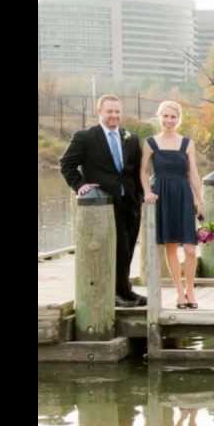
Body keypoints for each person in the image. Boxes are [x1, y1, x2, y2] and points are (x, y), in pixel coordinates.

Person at [59, 94, 146, 307]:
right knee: (113, 249)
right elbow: (66, 164)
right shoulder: (85, 137)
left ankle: (125, 291)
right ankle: (112, 294)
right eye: (109, 111)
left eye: (117, 111)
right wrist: (80, 185)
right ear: (99, 112)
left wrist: (140, 196)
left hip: (130, 203)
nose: (114, 115)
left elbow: (137, 171)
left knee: (127, 249)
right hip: (103, 205)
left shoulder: (131, 138)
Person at [140, 101, 203, 309]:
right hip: (162, 195)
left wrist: (199, 199)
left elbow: (192, 173)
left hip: (183, 194)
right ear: (159, 117)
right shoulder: (150, 143)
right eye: (165, 116)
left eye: (173, 117)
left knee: (190, 249)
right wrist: (148, 191)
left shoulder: (187, 143)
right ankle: (179, 293)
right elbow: (144, 171)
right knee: (171, 246)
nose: (169, 120)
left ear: (179, 119)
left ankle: (191, 290)